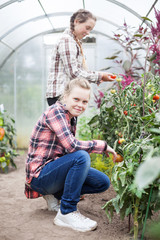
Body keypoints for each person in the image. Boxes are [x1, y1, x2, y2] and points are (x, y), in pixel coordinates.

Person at [25, 77, 117, 232]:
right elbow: (72, 146)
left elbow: (67, 150)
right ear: (65, 96)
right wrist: (102, 145)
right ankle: (66, 212)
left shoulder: (70, 117)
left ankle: (57, 197)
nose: (80, 105)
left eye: (84, 102)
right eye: (76, 99)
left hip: (51, 170)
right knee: (81, 156)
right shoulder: (56, 112)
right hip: (39, 176)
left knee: (102, 182)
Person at [46, 9, 116, 106]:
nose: (88, 32)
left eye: (90, 30)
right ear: (77, 22)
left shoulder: (74, 42)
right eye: (87, 28)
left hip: (66, 95)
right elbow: (74, 73)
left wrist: (98, 76)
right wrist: (99, 76)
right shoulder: (67, 40)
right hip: (61, 96)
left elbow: (77, 71)